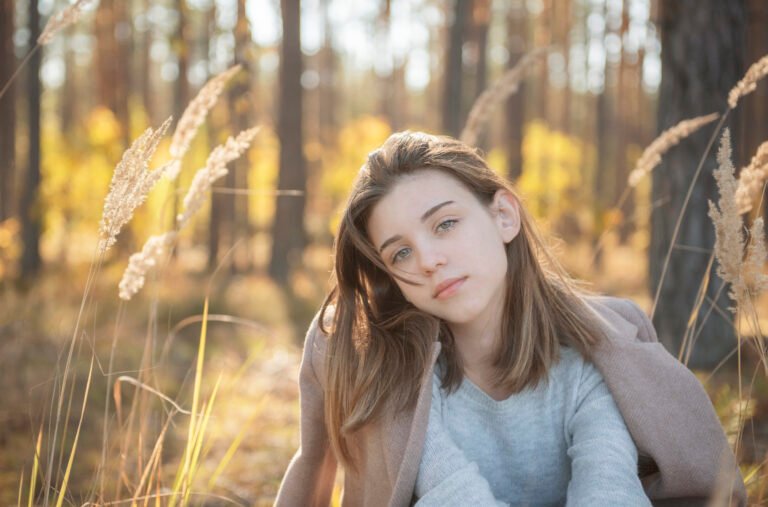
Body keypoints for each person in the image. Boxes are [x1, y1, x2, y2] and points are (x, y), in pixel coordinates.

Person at [275, 132, 745, 506]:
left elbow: (610, 488)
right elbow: (450, 495)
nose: (429, 260)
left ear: (503, 216)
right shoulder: (398, 378)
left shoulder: (591, 357)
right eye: (400, 252)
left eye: (445, 224)